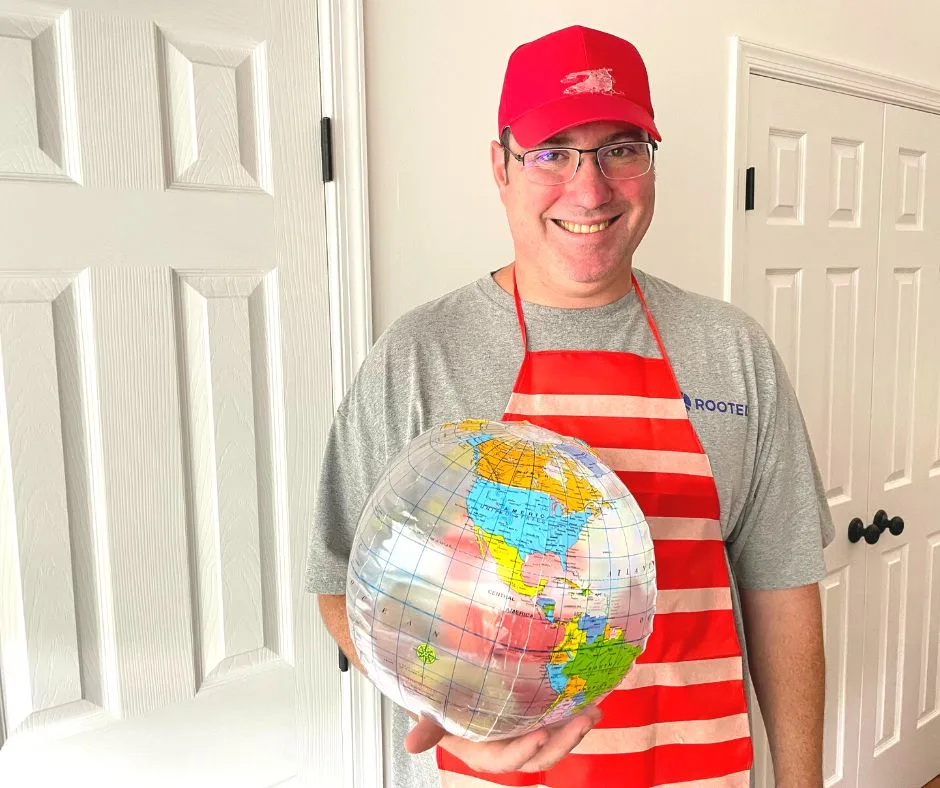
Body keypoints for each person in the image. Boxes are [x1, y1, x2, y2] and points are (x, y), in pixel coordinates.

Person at [307, 23, 834, 788]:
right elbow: (339, 579)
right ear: (501, 166)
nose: (589, 189)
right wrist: (441, 714)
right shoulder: (420, 353)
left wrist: (803, 783)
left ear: (651, 164)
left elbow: (783, 590)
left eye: (621, 148)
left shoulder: (734, 351)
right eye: (553, 152)